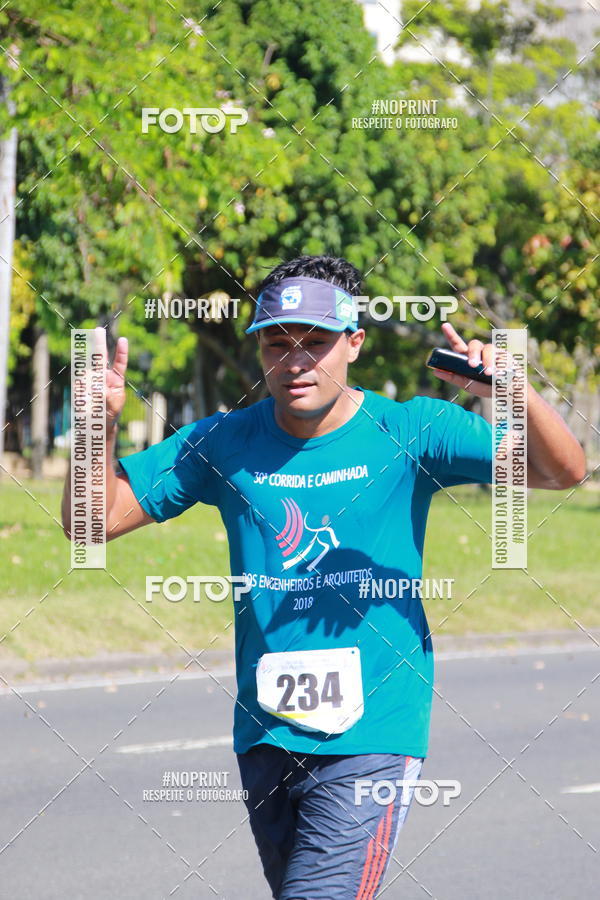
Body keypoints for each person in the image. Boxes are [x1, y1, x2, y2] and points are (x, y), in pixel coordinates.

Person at [61, 254, 586, 899]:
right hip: (266, 732)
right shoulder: (223, 442)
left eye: (315, 343)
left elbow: (562, 471)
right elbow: (92, 521)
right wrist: (96, 425)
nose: (295, 362)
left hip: (374, 732)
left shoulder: (413, 430)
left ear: (355, 344)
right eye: (277, 344)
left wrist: (512, 391)